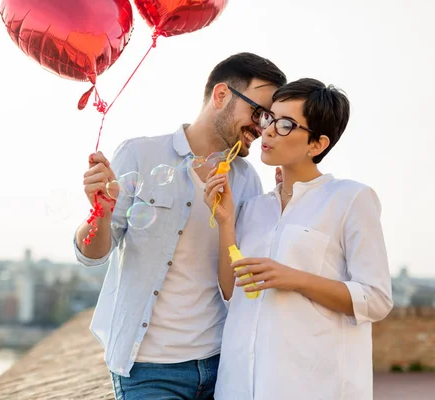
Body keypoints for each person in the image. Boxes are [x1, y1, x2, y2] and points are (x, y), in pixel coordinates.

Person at [73, 52, 287, 399]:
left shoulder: (248, 182)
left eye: (270, 119)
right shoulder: (141, 155)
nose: (262, 127)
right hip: (148, 370)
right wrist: (101, 212)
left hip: (221, 364)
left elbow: (237, 279)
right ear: (221, 96)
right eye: (258, 112)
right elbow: (93, 254)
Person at [203, 78, 394, 400]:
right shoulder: (252, 208)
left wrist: (294, 278)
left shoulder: (350, 198)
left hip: (313, 385)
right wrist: (225, 223)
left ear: (317, 145)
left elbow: (376, 299)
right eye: (270, 118)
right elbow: (230, 291)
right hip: (239, 386)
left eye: (287, 124)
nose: (269, 130)